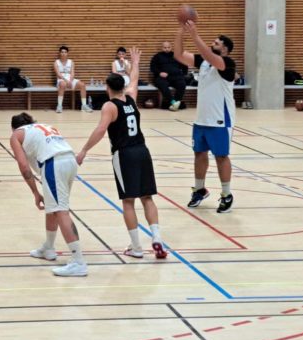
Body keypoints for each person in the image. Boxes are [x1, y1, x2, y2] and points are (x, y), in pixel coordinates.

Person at [76, 47, 167, 259]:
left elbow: (100, 130)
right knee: (147, 198)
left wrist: (84, 150)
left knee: (128, 201)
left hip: (124, 154)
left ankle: (136, 247)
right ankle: (157, 238)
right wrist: (135, 62)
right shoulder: (131, 97)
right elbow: (133, 80)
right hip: (142, 151)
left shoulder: (110, 106)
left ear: (107, 87)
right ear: (122, 86)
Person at [10, 112, 88, 277]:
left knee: (61, 211)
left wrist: (35, 193)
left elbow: (24, 167)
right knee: (53, 207)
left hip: (54, 163)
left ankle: (78, 261)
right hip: (70, 161)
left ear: (13, 128)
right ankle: (49, 248)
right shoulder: (44, 127)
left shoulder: (16, 134)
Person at [174, 19, 236, 214]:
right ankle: (199, 189)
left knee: (221, 156)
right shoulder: (204, 62)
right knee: (199, 154)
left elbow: (210, 56)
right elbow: (178, 55)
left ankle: (226, 194)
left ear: (225, 49)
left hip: (220, 120)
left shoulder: (227, 64)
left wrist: (195, 35)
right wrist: (180, 32)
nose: (212, 44)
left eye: (216, 43)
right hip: (201, 119)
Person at [150, 41, 188, 111]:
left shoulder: (176, 56)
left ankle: (176, 103)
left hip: (176, 77)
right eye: (165, 47)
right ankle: (173, 102)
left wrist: (183, 75)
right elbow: (152, 68)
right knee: (162, 85)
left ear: (171, 47)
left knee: (182, 84)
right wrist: (159, 73)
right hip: (162, 78)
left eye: (168, 47)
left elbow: (185, 66)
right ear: (162, 48)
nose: (167, 49)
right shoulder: (157, 56)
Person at [54, 45, 92, 113]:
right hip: (61, 79)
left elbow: (72, 73)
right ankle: (59, 106)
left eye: (65, 52)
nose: (63, 53)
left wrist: (70, 81)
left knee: (82, 85)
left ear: (67, 53)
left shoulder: (71, 62)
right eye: (62, 52)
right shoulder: (56, 62)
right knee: (62, 84)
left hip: (70, 79)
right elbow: (58, 74)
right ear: (60, 53)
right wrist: (66, 81)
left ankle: (84, 105)